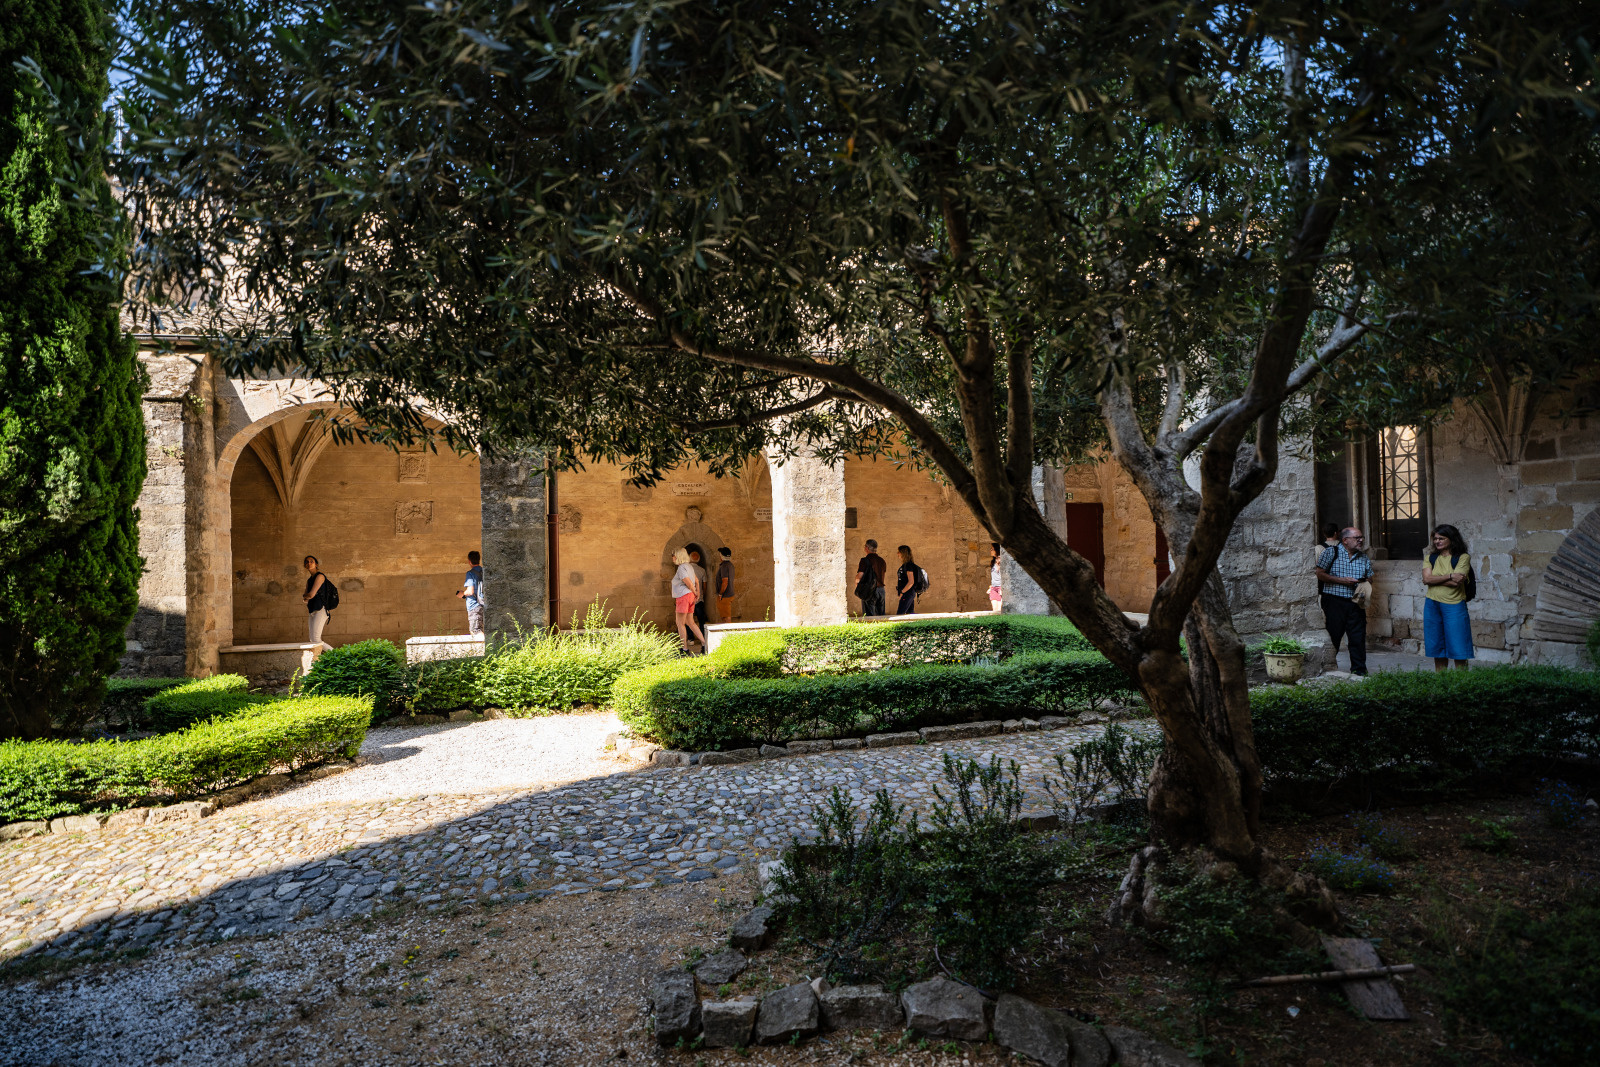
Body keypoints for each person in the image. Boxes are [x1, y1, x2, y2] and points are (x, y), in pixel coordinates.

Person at [1314, 527, 1373, 676]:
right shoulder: (1330, 552)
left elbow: (1370, 577)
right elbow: (1320, 574)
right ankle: (1327, 670)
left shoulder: (1363, 557)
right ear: (1345, 540)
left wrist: (1364, 583)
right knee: (1334, 635)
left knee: (1357, 637)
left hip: (1356, 602)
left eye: (1361, 537)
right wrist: (1342, 580)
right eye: (1357, 538)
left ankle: (1359, 672)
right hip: (1334, 601)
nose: (1361, 540)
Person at [1422, 524, 1475, 671]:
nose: (1437, 541)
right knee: (1437, 645)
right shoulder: (1430, 558)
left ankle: (1460, 681)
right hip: (1432, 604)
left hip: (1454, 605)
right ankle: (1441, 680)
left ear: (1451, 539)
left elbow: (1457, 582)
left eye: (1441, 538)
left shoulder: (1463, 557)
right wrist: (1450, 576)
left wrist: (1435, 579)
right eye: (1435, 538)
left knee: (1459, 646)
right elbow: (1426, 579)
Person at [670, 547, 707, 654]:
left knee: (680, 623)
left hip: (684, 596)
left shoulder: (681, 568)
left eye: (673, 556)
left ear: (678, 556)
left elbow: (689, 583)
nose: (672, 558)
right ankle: (705, 644)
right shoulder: (689, 566)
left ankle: (685, 649)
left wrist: (695, 592)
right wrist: (697, 592)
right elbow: (696, 580)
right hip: (689, 596)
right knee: (690, 622)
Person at [301, 554, 334, 649]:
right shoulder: (309, 580)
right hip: (312, 610)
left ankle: (337, 654)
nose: (309, 563)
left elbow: (309, 595)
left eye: (311, 561)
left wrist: (306, 596)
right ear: (305, 565)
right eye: (307, 562)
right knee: (312, 639)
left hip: (321, 609)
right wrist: (307, 596)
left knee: (316, 639)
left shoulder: (320, 576)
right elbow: (305, 599)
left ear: (316, 564)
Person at [853, 539, 887, 616]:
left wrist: (858, 586)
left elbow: (859, 576)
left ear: (867, 548)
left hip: (869, 591)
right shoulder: (882, 561)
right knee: (881, 617)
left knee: (869, 617)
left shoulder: (865, 560)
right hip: (881, 590)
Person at [455, 550, 485, 634]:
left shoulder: (470, 573)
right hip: (484, 604)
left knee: (475, 631)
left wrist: (462, 594)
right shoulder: (483, 572)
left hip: (474, 606)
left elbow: (470, 591)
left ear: (469, 561)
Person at [686, 544, 711, 633]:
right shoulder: (702, 570)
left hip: (688, 597)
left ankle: (691, 637)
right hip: (699, 598)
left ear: (689, 559)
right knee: (701, 618)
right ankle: (703, 635)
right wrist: (703, 594)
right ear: (699, 560)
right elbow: (704, 585)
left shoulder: (686, 569)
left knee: (688, 618)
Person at [894, 545, 920, 616]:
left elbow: (911, 582)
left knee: (900, 614)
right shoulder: (906, 565)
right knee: (910, 614)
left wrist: (902, 592)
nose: (897, 553)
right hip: (908, 593)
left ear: (903, 553)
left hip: (907, 593)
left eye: (899, 552)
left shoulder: (908, 565)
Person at [715, 547, 735, 623]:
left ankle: (729, 630)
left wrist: (720, 594)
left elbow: (725, 582)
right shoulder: (730, 565)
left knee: (726, 617)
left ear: (721, 556)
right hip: (728, 594)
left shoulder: (724, 566)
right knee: (724, 616)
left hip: (725, 595)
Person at [988, 542, 1003, 612]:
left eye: (992, 549)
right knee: (994, 609)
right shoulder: (993, 562)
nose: (990, 550)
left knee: (999, 609)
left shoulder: (1001, 561)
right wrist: (991, 587)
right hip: (993, 588)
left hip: (1000, 587)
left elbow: (1004, 576)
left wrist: (1002, 588)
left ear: (996, 550)